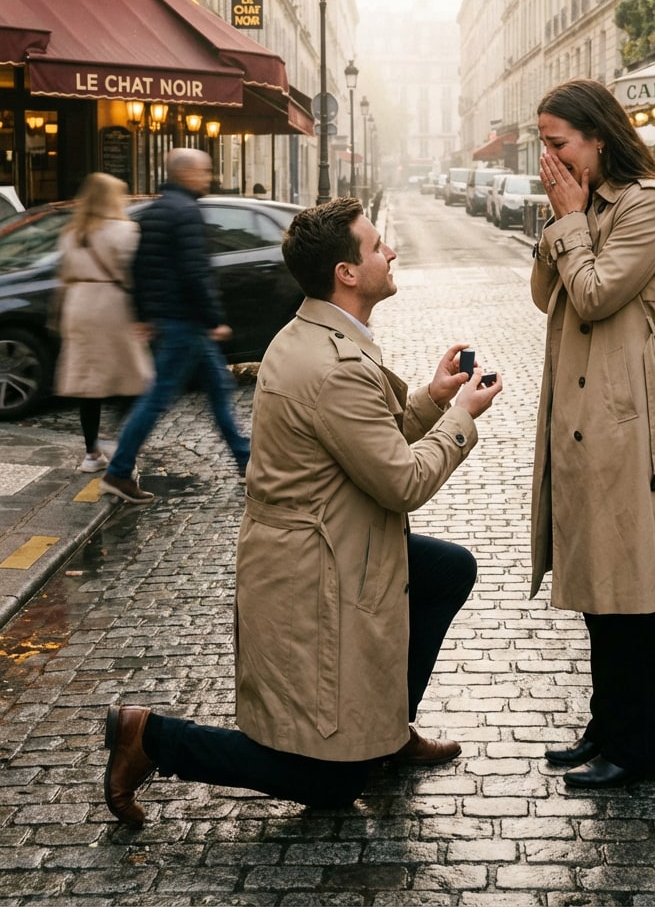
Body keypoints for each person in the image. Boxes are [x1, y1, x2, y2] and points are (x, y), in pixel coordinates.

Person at [102, 196, 503, 826]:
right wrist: (461, 417)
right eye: (377, 246)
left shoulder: (315, 334)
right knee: (331, 784)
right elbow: (401, 481)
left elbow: (366, 439)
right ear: (347, 273)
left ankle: (388, 729)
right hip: (316, 572)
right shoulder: (334, 364)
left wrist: (431, 396)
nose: (391, 252)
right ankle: (150, 737)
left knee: (446, 569)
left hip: (331, 543)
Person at [529, 78, 655, 790]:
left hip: (626, 414)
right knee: (599, 586)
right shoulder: (588, 204)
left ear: (598, 137)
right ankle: (607, 726)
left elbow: (595, 296)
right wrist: (562, 220)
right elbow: (547, 294)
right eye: (543, 144)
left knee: (630, 589)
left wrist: (569, 221)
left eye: (558, 143)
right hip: (582, 414)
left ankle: (640, 748)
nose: (550, 158)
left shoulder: (646, 204)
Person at [100, 148, 250, 504]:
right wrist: (213, 318)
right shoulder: (186, 212)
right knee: (157, 398)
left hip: (172, 319)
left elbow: (138, 267)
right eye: (204, 171)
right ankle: (119, 470)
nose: (209, 178)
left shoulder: (155, 211)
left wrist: (143, 314)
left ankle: (246, 460)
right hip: (187, 322)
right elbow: (195, 272)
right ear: (186, 173)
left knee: (219, 387)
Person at [54, 173, 153, 471]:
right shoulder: (125, 230)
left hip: (77, 304)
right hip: (111, 306)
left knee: (89, 382)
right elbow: (136, 274)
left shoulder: (72, 232)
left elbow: (63, 273)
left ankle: (92, 454)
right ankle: (122, 442)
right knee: (133, 377)